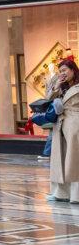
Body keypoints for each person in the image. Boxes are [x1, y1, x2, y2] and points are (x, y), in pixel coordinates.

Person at [44, 57, 79, 203]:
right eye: (60, 71)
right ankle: (61, 192)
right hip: (60, 124)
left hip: (75, 124)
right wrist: (57, 84)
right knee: (61, 159)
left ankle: (75, 195)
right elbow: (47, 99)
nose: (62, 73)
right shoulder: (61, 86)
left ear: (73, 70)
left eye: (64, 70)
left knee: (74, 160)